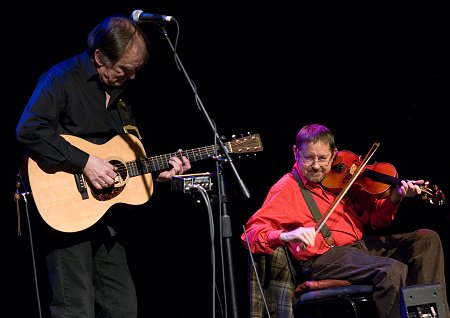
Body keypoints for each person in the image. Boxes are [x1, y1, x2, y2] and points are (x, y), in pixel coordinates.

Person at [16, 15, 191, 318]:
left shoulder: (121, 95)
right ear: (99, 57)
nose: (131, 77)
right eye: (125, 69)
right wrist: (85, 162)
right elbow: (29, 129)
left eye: (135, 70)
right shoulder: (61, 79)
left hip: (106, 216)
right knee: (76, 309)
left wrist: (155, 172)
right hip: (65, 211)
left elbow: (122, 156)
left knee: (122, 307)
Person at [241, 123, 449, 318]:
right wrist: (287, 235)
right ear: (296, 153)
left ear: (333, 155)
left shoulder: (341, 179)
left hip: (358, 249)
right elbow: (251, 234)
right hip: (323, 259)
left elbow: (375, 220)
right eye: (308, 158)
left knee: (427, 240)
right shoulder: (286, 189)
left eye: (323, 158)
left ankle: (429, 313)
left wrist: (395, 197)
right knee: (391, 270)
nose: (316, 166)